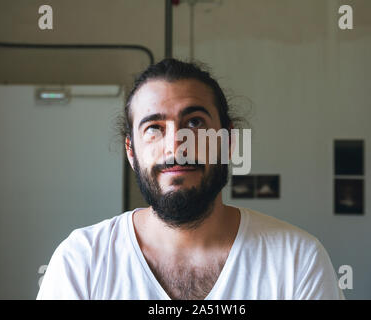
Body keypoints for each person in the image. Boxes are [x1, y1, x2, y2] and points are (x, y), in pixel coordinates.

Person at [37, 58, 345, 300]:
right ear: (131, 150)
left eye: (195, 122)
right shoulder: (82, 261)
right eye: (154, 127)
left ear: (227, 141)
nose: (176, 145)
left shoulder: (297, 260)